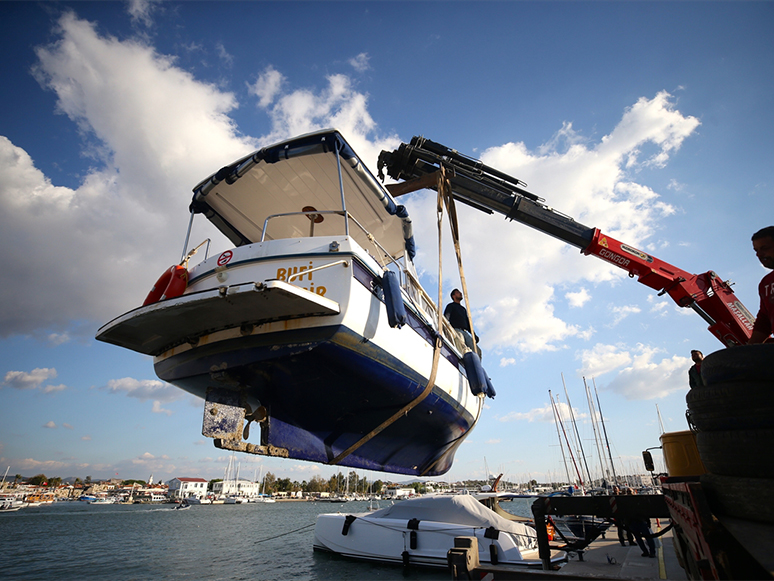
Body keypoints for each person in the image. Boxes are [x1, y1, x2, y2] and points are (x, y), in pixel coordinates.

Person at [749, 226, 774, 344]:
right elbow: (764, 322)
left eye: (764, 248)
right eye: (756, 250)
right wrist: (747, 352)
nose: (759, 254)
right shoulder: (766, 283)